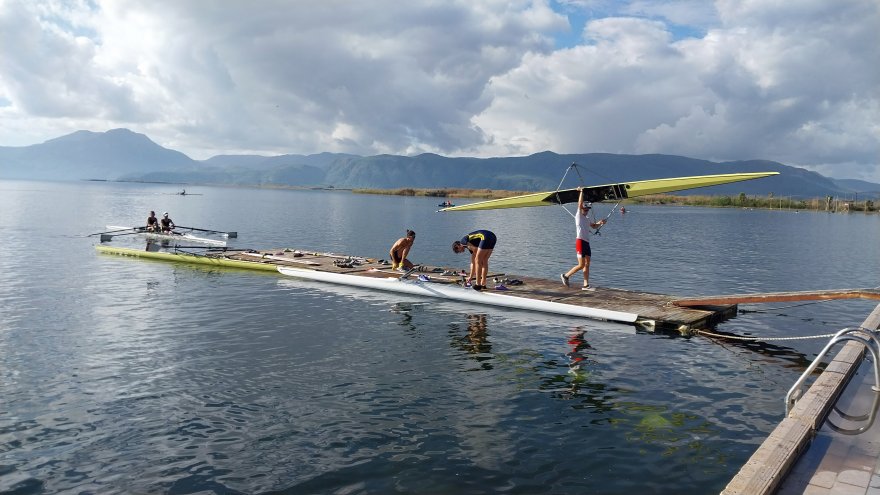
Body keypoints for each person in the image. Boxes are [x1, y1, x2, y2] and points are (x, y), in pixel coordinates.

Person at [560, 187, 605, 291]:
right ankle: (566, 276)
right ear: (582, 209)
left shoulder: (587, 218)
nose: (586, 211)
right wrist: (581, 192)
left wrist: (601, 223)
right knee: (581, 265)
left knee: (587, 264)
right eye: (585, 209)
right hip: (580, 241)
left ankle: (586, 285)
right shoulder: (578, 216)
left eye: (587, 209)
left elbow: (593, 226)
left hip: (586, 243)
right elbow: (579, 204)